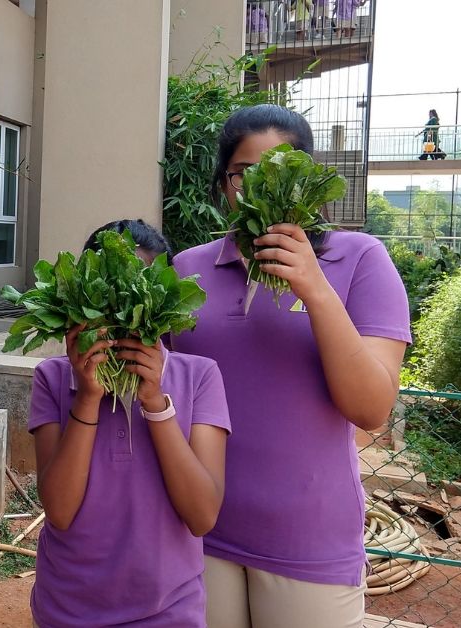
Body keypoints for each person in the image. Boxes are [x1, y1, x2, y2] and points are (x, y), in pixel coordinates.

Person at [175, 104, 410, 628]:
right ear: (223, 183)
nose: (259, 185)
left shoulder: (360, 259)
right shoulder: (187, 269)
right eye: (244, 172)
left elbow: (371, 407)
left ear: (308, 179)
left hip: (309, 541)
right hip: (198, 526)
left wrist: (314, 287)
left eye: (280, 169)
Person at [29, 220, 229, 627]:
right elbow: (60, 512)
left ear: (163, 306)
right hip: (67, 611)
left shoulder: (200, 376)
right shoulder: (52, 378)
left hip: (169, 612)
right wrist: (87, 396)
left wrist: (155, 402)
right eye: (105, 299)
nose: (119, 323)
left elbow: (202, 515)